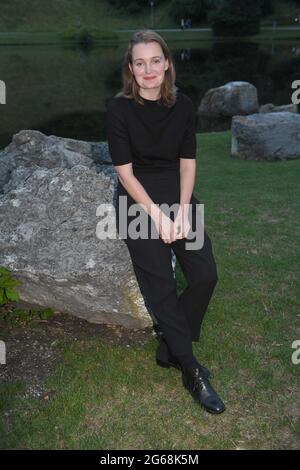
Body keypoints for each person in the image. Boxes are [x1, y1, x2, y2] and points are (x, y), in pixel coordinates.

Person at [105, 29, 225, 414]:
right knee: (160, 287)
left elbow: (188, 162)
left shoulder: (184, 105)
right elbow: (125, 174)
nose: (148, 69)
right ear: (131, 69)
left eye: (155, 60)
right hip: (137, 203)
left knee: (205, 274)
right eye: (140, 63)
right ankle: (191, 370)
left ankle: (169, 346)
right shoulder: (119, 109)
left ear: (167, 63)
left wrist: (184, 209)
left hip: (179, 196)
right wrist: (158, 217)